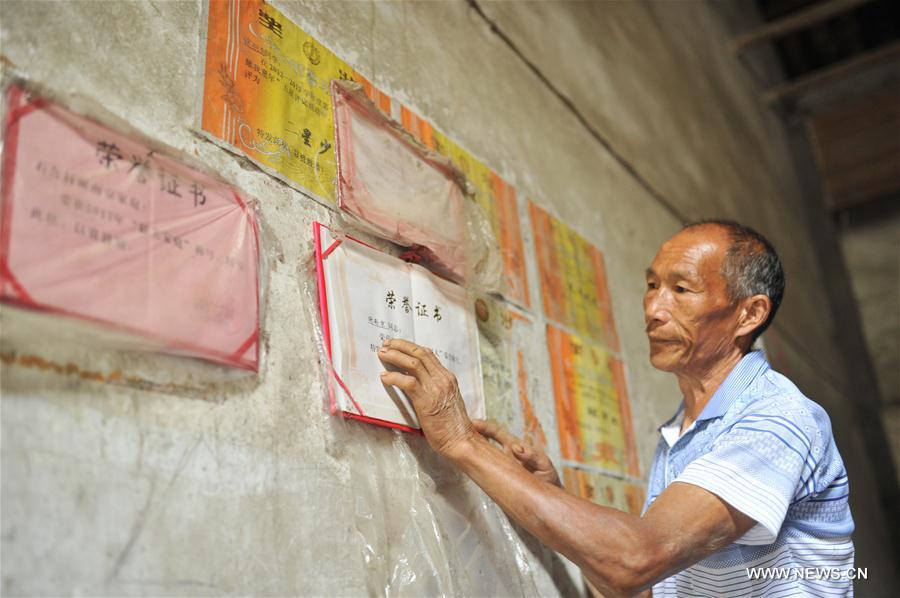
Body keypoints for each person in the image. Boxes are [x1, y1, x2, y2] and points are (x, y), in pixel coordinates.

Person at [377, 220, 854, 597]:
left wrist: (461, 442)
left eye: (681, 290)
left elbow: (633, 562)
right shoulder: (683, 431)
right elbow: (638, 588)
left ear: (749, 313)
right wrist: (551, 494)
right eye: (652, 285)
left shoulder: (776, 418)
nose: (654, 309)